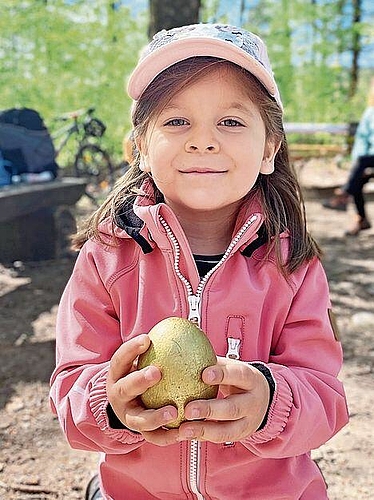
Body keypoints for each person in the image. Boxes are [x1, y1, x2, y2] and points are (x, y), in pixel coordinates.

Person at [50, 23, 349, 500]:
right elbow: (68, 390)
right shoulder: (105, 261)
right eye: (176, 122)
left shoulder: (291, 267)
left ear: (269, 149)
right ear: (141, 148)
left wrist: (271, 401)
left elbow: (326, 400)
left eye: (230, 122)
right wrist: (111, 403)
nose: (203, 141)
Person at [323, 78, 374, 236]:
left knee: (360, 167)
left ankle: (344, 195)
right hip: (369, 160)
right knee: (357, 180)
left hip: (369, 160)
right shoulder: (370, 113)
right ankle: (361, 219)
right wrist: (360, 167)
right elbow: (362, 141)